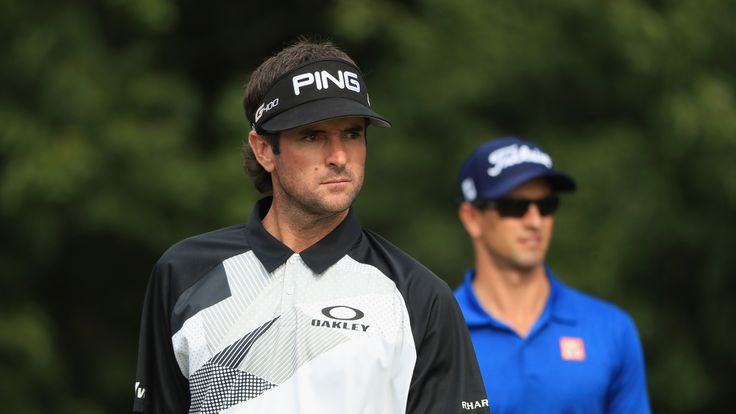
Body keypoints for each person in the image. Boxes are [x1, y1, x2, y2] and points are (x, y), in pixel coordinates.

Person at [132, 39, 490, 413]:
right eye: (313, 135)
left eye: (352, 133)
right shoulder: (182, 274)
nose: (338, 157)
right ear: (264, 150)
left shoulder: (419, 297)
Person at [453, 136, 651, 413]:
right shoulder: (434, 331)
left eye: (546, 205)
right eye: (515, 207)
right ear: (472, 217)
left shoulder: (611, 329)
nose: (535, 222)